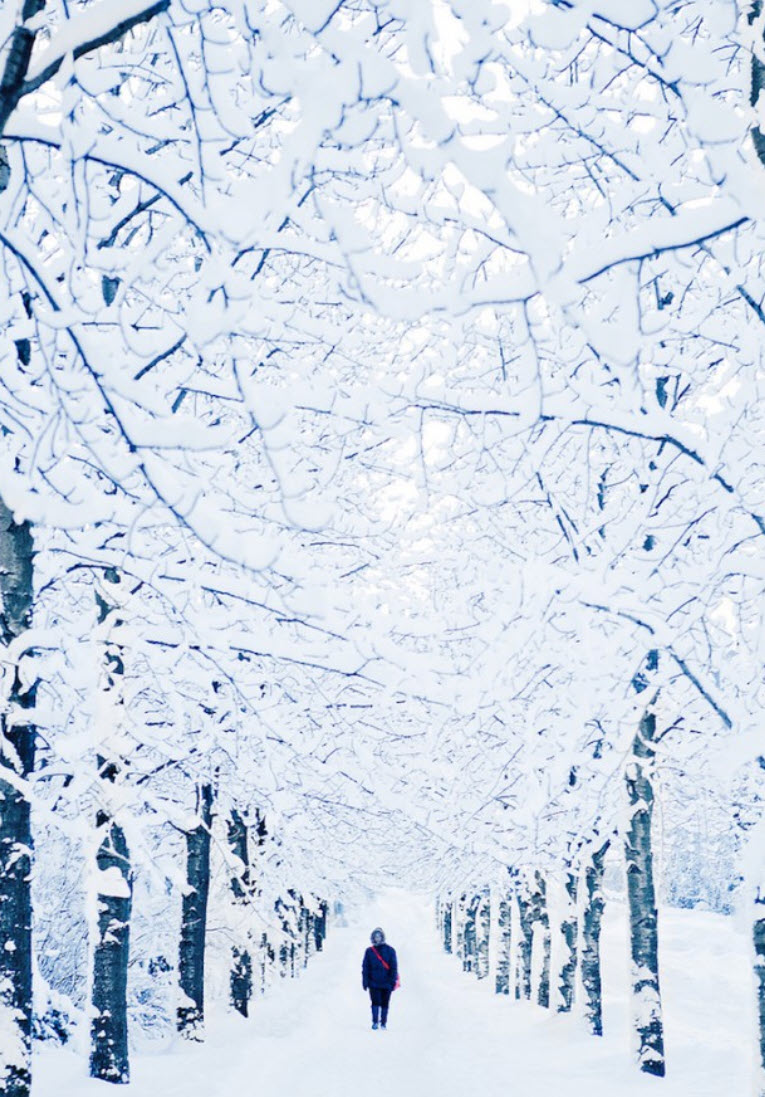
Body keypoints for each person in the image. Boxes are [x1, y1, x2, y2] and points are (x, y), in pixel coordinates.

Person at [362, 926, 398, 1030]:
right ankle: (374, 1022)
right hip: (373, 982)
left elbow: (394, 967)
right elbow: (365, 967)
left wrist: (392, 981)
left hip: (387, 982)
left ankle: (383, 1022)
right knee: (375, 1002)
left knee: (385, 1003)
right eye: (375, 936)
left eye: (379, 936)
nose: (377, 938)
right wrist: (365, 981)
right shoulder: (369, 951)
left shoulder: (390, 950)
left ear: (383, 937)